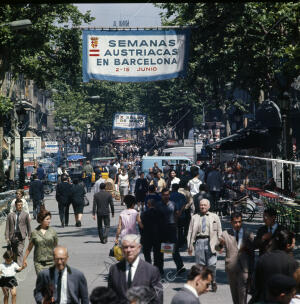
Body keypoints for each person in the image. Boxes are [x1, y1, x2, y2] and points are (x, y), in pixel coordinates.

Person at [108, 234, 163, 304]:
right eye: (125, 247)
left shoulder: (152, 271)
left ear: (139, 248)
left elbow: (157, 299)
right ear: (121, 249)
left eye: (132, 247)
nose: (128, 250)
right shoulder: (114, 270)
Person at [215, 212, 255, 304]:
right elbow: (217, 248)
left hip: (244, 268)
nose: (238, 224)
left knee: (243, 294)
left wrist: (252, 269)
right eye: (235, 222)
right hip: (231, 267)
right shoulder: (225, 234)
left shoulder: (248, 233)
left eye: (240, 222)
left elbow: (252, 252)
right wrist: (221, 243)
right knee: (234, 295)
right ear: (231, 222)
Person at [187, 198, 222, 292]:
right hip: (199, 242)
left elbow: (219, 231)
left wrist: (220, 244)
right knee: (200, 265)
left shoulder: (215, 216)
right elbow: (190, 232)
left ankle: (213, 281)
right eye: (201, 205)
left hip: (211, 242)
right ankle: (204, 283)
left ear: (209, 206)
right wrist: (189, 245)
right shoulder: (195, 217)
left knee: (212, 264)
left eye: (204, 205)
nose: (202, 207)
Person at [253, 230, 298, 302]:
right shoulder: (292, 263)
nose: (293, 245)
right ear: (288, 245)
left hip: (264, 299)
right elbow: (293, 287)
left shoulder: (262, 258)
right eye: (293, 243)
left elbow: (257, 284)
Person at [22, 207, 58, 275]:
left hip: (51, 261)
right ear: (41, 220)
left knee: (51, 282)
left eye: (50, 219)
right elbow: (29, 247)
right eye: (47, 219)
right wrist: (24, 259)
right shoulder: (35, 233)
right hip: (39, 262)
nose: (49, 221)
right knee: (42, 281)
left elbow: (56, 247)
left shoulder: (52, 232)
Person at [159, 188, 185, 274]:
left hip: (172, 227)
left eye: (167, 195)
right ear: (161, 195)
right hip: (162, 228)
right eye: (164, 195)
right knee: (162, 249)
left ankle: (180, 267)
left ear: (169, 195)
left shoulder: (173, 204)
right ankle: (160, 269)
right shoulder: (158, 205)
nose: (166, 196)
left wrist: (176, 224)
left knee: (174, 248)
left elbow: (177, 214)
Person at [140, 199, 164, 275]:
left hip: (147, 237)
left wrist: (142, 236)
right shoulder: (160, 213)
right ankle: (159, 269)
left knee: (147, 254)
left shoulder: (144, 214)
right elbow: (163, 226)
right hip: (158, 237)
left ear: (148, 205)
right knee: (158, 255)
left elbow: (141, 227)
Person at [5, 199, 31, 266]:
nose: (20, 206)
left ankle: (19, 265)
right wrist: (7, 237)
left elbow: (28, 226)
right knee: (14, 251)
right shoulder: (10, 215)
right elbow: (7, 227)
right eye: (19, 205)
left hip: (21, 235)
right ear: (15, 206)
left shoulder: (25, 214)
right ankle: (14, 263)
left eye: (21, 205)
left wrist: (29, 235)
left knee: (19, 251)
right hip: (13, 236)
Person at [170, 183, 187, 248]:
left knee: (172, 230)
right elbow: (184, 204)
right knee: (180, 229)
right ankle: (180, 243)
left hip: (172, 216)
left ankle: (173, 243)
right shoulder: (182, 195)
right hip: (181, 215)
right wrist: (180, 212)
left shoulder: (170, 196)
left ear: (172, 188)